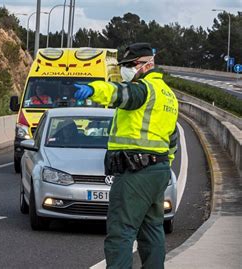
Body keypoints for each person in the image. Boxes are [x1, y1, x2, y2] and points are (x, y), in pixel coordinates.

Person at [74, 43, 179, 269]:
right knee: (151, 231)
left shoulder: (144, 89)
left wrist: (95, 89)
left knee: (121, 231)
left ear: (148, 64)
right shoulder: (169, 95)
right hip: (157, 170)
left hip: (136, 170)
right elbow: (172, 140)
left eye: (131, 65)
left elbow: (121, 94)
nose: (126, 69)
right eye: (125, 65)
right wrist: (162, 168)